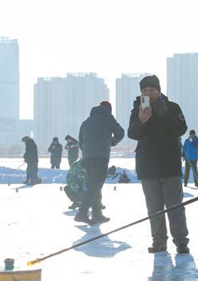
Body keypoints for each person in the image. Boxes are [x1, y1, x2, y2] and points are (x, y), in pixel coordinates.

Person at [128, 74, 190, 254]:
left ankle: (181, 241)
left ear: (159, 90)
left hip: (169, 164)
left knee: (175, 206)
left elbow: (181, 129)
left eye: (152, 90)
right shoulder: (137, 109)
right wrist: (141, 120)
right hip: (147, 166)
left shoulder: (172, 107)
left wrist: (164, 113)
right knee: (154, 208)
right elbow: (132, 133)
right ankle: (159, 241)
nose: (149, 93)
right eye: (145, 90)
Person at [75, 101, 124, 224]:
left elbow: (80, 141)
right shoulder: (108, 117)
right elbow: (120, 133)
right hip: (100, 156)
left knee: (94, 185)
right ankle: (82, 212)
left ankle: (97, 214)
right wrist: (112, 141)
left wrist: (87, 151)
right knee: (96, 185)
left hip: (87, 157)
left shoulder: (86, 122)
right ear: (109, 109)